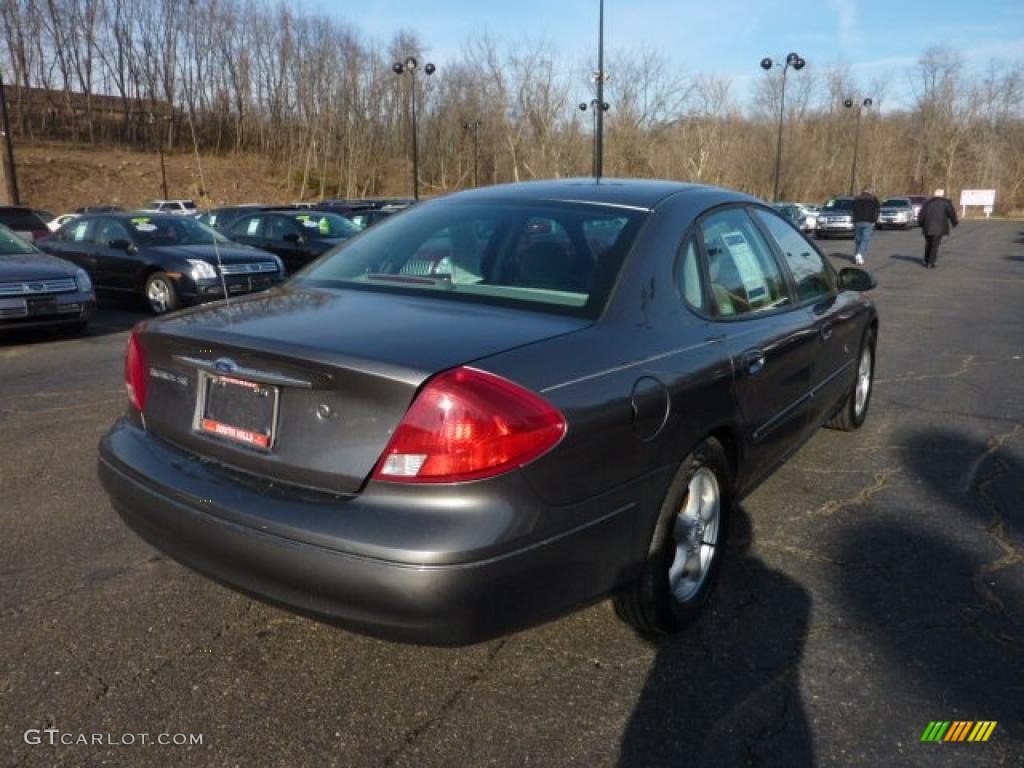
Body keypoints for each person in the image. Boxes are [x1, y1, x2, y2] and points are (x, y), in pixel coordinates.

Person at [918, 188, 958, 269]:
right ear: (942, 195)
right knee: (935, 245)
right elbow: (951, 213)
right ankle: (931, 262)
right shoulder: (946, 203)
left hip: (927, 226)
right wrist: (954, 222)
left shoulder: (927, 202)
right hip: (939, 227)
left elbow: (921, 214)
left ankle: (926, 260)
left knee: (928, 244)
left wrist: (921, 223)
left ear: (934, 194)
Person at [851, 187, 880, 266]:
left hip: (857, 221)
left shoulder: (856, 199)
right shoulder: (874, 199)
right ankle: (860, 254)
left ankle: (857, 257)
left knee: (858, 239)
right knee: (865, 239)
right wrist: (875, 220)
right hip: (869, 221)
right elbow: (877, 210)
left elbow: (852, 210)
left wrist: (853, 219)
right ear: (869, 191)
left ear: (862, 191)